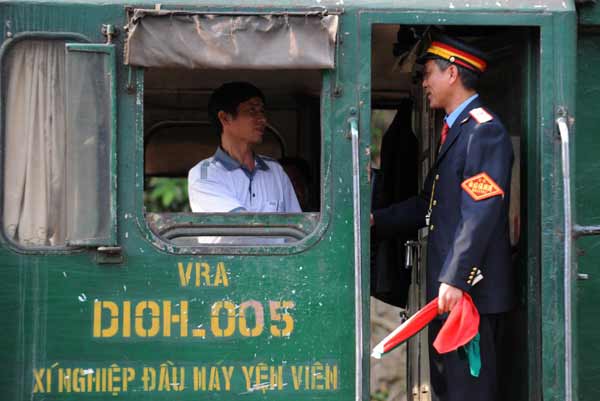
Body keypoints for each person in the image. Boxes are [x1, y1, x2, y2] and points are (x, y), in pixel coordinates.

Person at [372, 35, 515, 401]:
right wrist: (375, 220)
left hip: (471, 294)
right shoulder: (457, 132)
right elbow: (429, 206)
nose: (424, 83)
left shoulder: (483, 132)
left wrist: (454, 278)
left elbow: (479, 215)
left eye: (429, 74)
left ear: (452, 73)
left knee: (468, 393)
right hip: (451, 295)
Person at [188, 82, 301, 213]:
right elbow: (238, 226)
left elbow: (298, 228)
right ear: (225, 118)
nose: (263, 119)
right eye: (252, 110)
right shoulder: (204, 172)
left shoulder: (275, 170)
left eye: (262, 111)